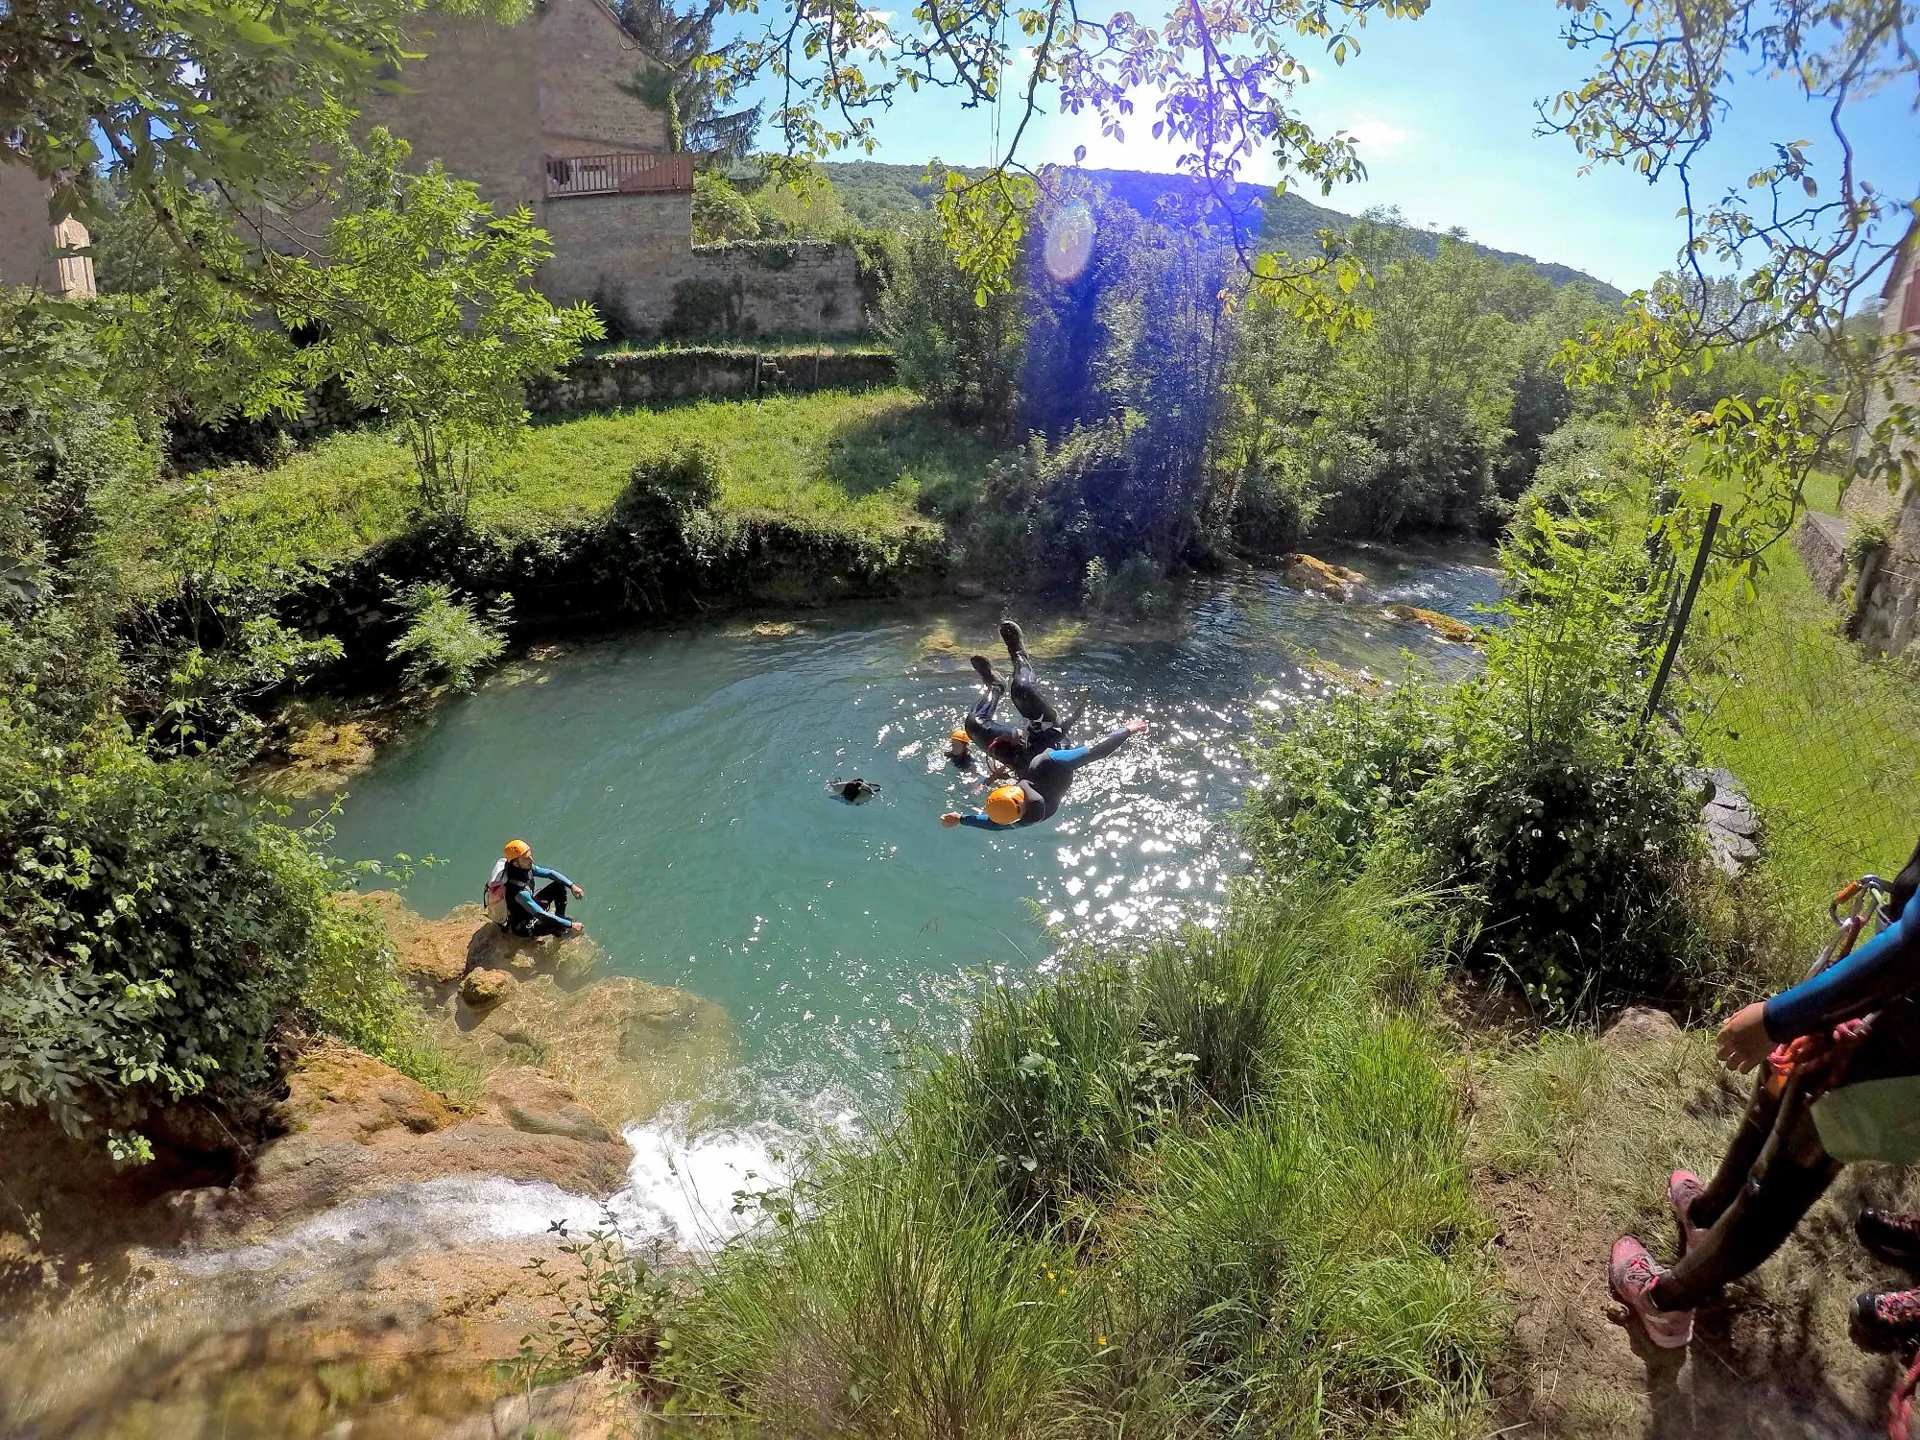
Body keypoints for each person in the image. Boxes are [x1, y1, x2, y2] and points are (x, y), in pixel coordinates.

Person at [1608, 834, 1920, 1353]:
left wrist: (1779, 1018)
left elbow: (1917, 947)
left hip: (1909, 1024)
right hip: (1898, 996)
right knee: (1786, 1085)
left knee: (1790, 1170)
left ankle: (1667, 1302)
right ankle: (1707, 1217)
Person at [941, 718, 1146, 832]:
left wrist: (962, 819)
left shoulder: (1050, 763)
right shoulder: (1052, 767)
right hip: (1052, 774)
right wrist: (1125, 730)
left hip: (1049, 758)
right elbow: (1095, 752)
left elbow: (995, 826)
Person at [963, 620, 1086, 774]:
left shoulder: (1019, 793)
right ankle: (1019, 655)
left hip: (1020, 757)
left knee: (973, 725)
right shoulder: (1054, 776)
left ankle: (996, 686)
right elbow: (1095, 752)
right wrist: (1125, 731)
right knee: (1022, 691)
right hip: (1051, 737)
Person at [487, 839, 585, 938]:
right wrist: (571, 925)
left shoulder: (525, 868)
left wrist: (572, 885)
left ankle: (560, 917)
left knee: (558, 886)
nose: (531, 860)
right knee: (557, 925)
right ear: (516, 863)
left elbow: (549, 873)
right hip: (523, 924)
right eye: (526, 858)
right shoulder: (518, 891)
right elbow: (540, 914)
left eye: (530, 856)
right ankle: (559, 931)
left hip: (529, 909)